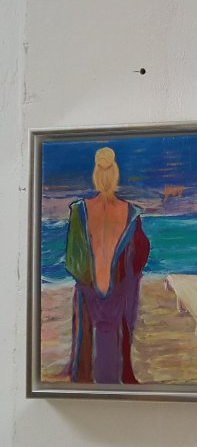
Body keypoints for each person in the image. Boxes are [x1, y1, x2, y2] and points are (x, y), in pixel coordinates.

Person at [64, 147, 150, 384]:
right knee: (114, 353)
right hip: (118, 294)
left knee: (86, 362)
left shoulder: (79, 210)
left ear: (96, 175)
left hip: (88, 293)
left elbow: (72, 260)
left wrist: (90, 281)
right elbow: (141, 253)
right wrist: (120, 278)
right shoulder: (131, 212)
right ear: (115, 175)